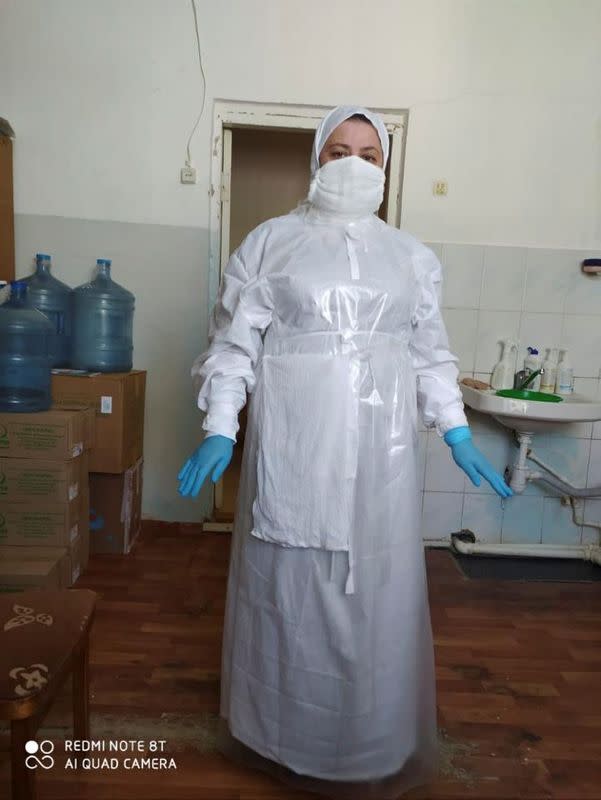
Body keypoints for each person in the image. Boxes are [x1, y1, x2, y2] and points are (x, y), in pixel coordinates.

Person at [178, 104, 512, 799]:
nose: (351, 164)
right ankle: (280, 734)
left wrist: (453, 427)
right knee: (289, 595)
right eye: (336, 151)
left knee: (374, 600)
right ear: (315, 161)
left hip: (381, 464)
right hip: (296, 450)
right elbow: (234, 344)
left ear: (384, 168)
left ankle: (369, 741)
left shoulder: (410, 257)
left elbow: (428, 354)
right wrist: (220, 424)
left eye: (367, 152)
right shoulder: (270, 243)